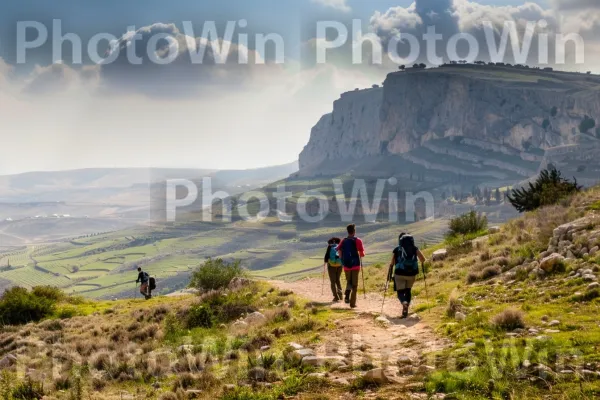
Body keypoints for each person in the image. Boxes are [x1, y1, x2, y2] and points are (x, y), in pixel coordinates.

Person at [389, 233, 426, 318]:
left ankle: (404, 303)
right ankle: (405, 309)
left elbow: (391, 263)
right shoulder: (415, 248)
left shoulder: (397, 249)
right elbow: (423, 259)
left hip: (399, 273)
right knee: (408, 290)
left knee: (400, 291)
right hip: (411, 274)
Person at [337, 224, 365, 308]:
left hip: (346, 266)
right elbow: (362, 254)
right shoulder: (358, 240)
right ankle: (352, 304)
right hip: (355, 265)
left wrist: (342, 260)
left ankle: (347, 295)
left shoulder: (343, 240)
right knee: (355, 285)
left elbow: (338, 249)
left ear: (348, 231)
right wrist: (360, 254)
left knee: (349, 282)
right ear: (354, 231)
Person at [324, 237, 343, 302]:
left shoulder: (330, 247)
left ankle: (335, 297)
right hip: (339, 265)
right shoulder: (340, 246)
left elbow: (326, 258)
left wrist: (327, 261)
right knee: (338, 280)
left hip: (331, 266)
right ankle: (340, 295)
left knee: (333, 282)